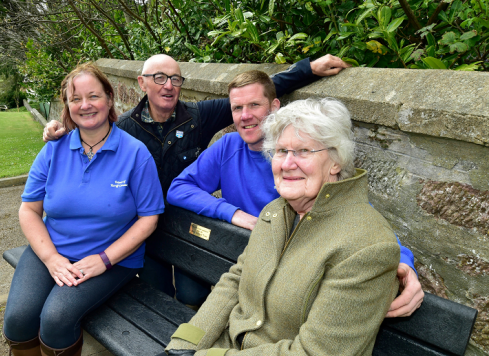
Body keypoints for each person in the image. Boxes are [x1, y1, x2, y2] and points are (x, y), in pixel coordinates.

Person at [42, 54, 351, 306]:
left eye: (175, 79)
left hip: (184, 224)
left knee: (190, 293)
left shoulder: (198, 117)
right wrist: (60, 130)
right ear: (142, 83)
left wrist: (306, 68)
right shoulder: (124, 131)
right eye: (159, 78)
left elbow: (260, 91)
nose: (168, 85)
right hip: (141, 228)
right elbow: (89, 134)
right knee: (158, 295)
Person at [125, 98, 400, 356]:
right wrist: (186, 343)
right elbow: (235, 280)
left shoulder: (366, 244)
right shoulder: (276, 211)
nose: (288, 163)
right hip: (230, 350)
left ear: (336, 161)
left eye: (303, 150)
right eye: (281, 151)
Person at [167, 70, 424, 317]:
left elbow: (357, 214)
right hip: (240, 264)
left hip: (285, 281)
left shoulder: (309, 165)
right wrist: (234, 213)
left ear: (274, 106)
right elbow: (179, 188)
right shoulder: (228, 147)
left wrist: (403, 263)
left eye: (255, 105)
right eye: (237, 108)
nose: (245, 116)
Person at [2, 63, 164, 356]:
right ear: (67, 106)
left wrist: (103, 259)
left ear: (109, 98)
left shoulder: (134, 153)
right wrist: (50, 258)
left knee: (56, 318)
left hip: (111, 260)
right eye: (75, 99)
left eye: (93, 96)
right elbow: (29, 209)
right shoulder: (53, 150)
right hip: (52, 251)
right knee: (18, 319)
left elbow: (148, 220)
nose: (85, 105)